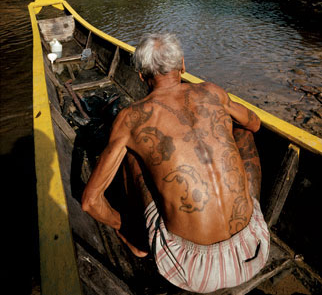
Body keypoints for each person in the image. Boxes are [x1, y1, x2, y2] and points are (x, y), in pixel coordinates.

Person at [82, 33, 269, 293]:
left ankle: (138, 242)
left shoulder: (131, 118)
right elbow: (255, 123)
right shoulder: (212, 92)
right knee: (243, 130)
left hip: (190, 269)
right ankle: (251, 207)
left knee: (133, 151)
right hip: (254, 248)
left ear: (140, 76)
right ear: (182, 64)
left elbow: (90, 201)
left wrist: (122, 225)